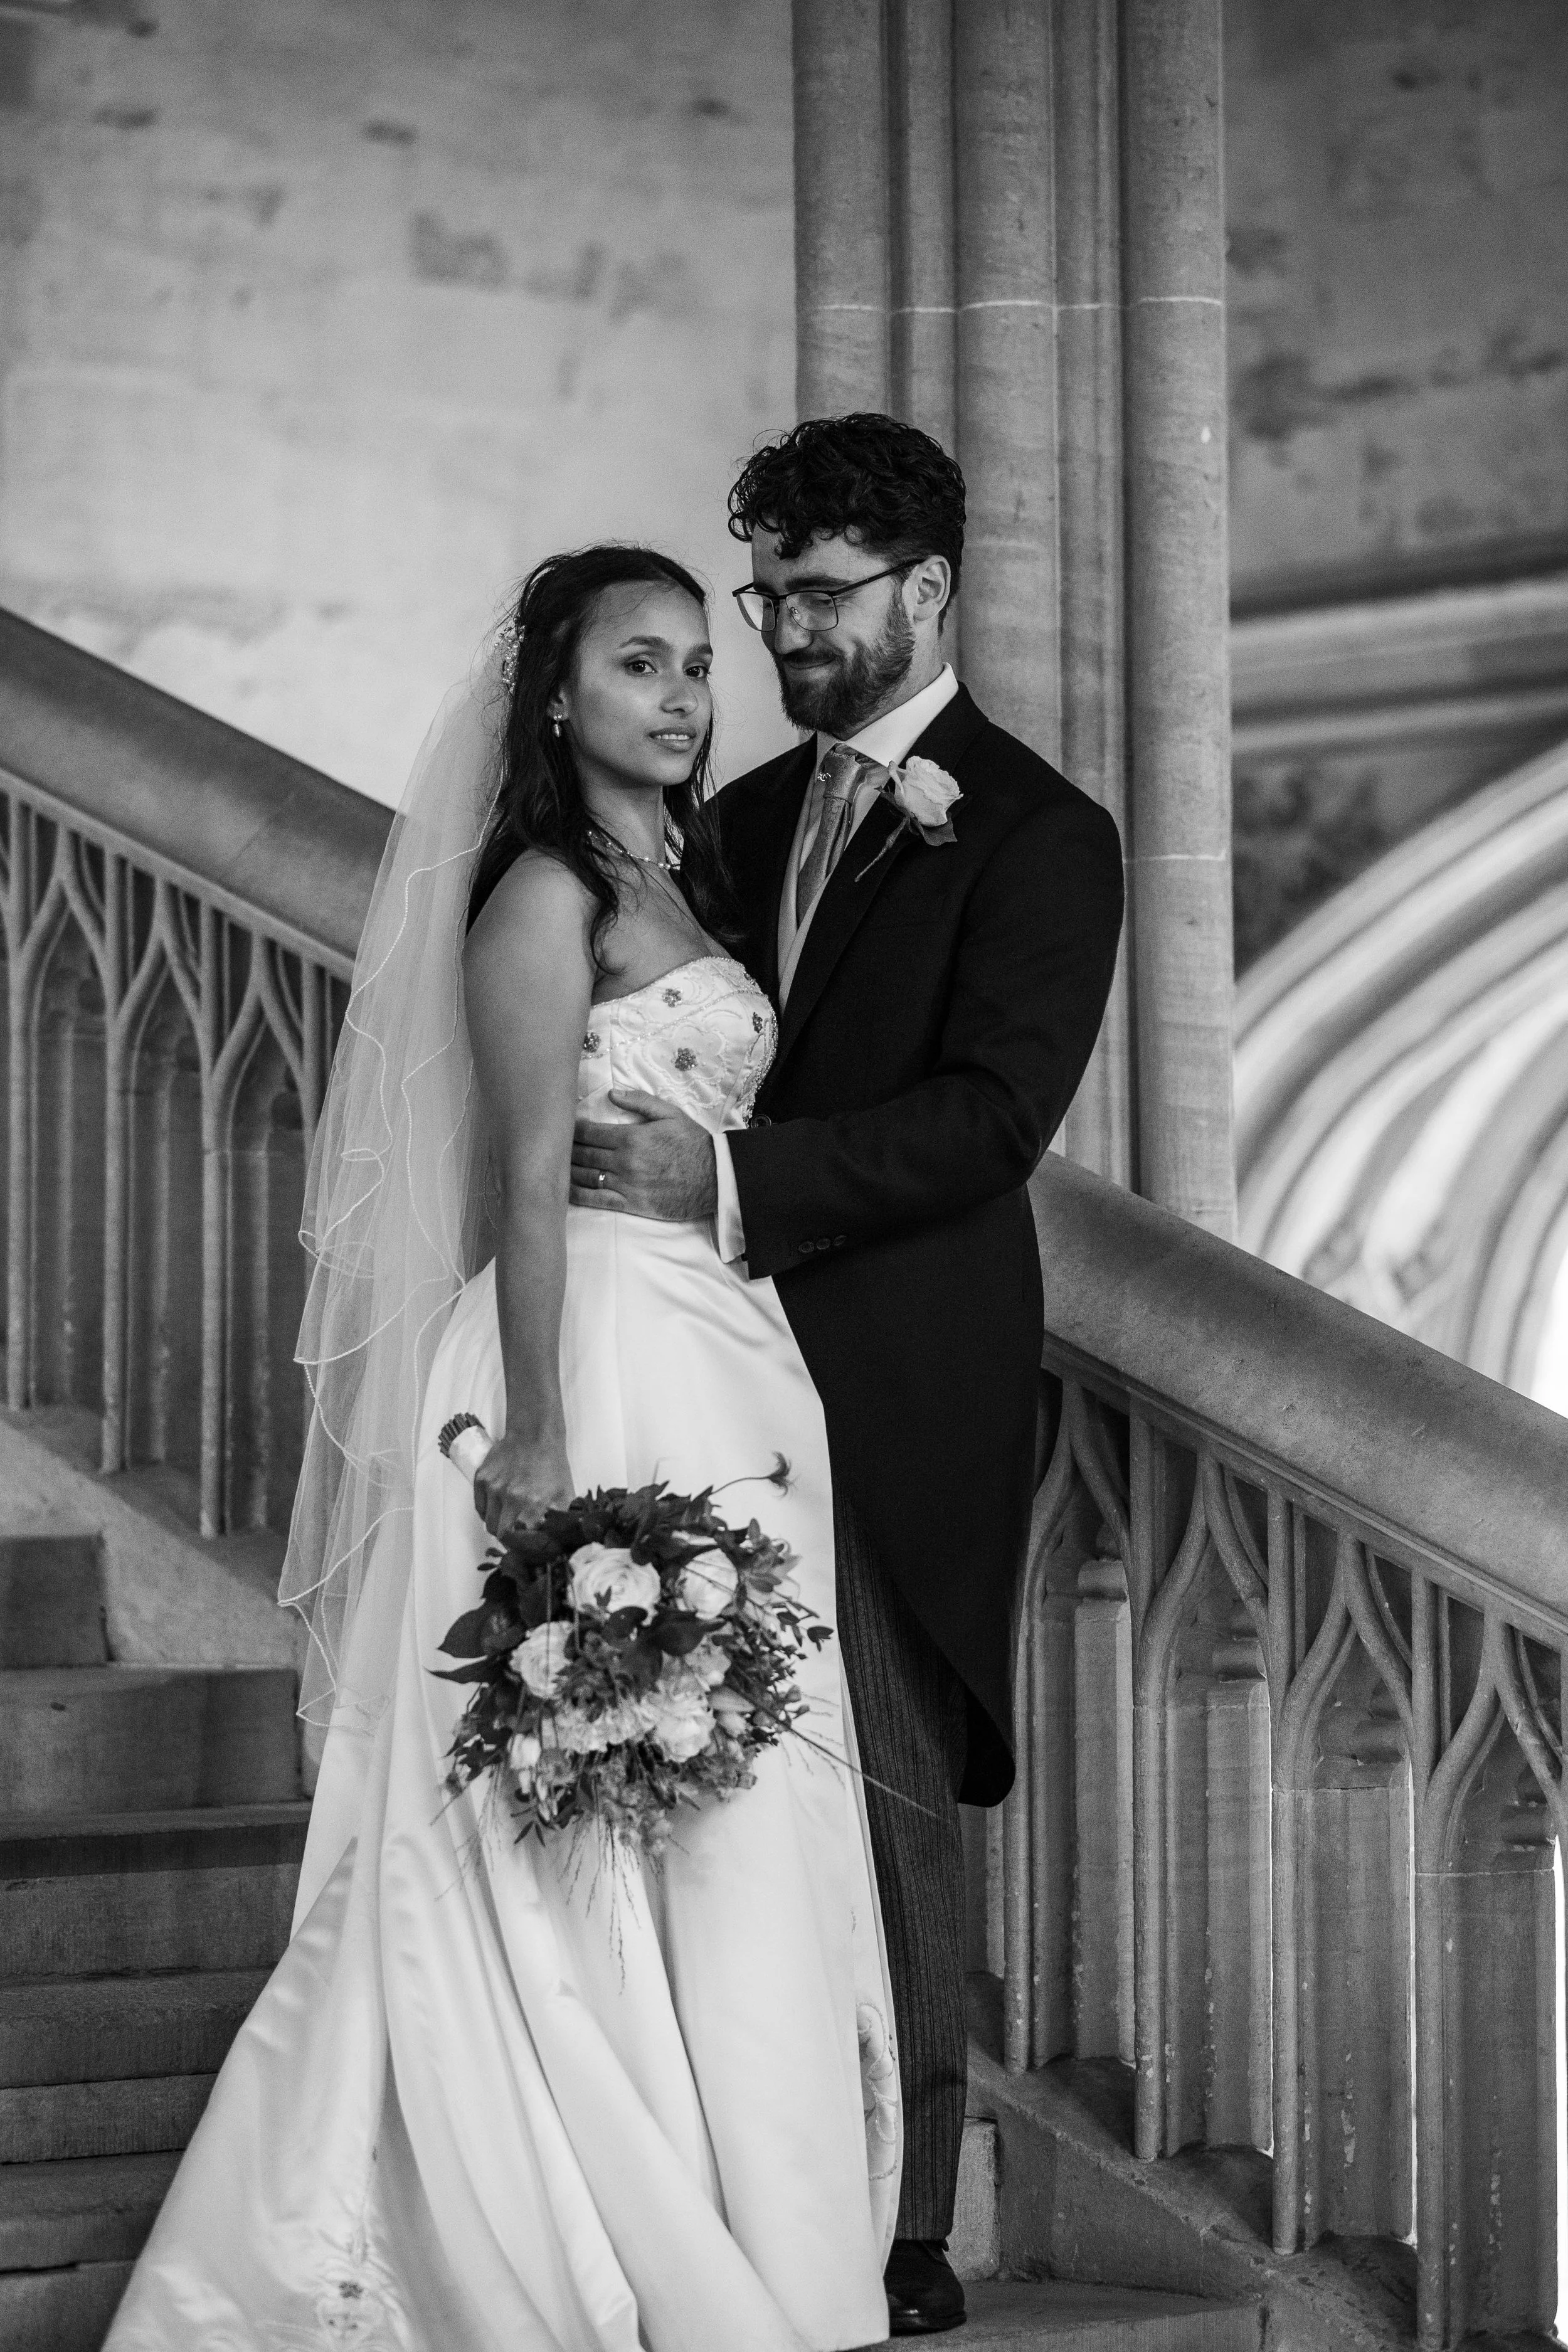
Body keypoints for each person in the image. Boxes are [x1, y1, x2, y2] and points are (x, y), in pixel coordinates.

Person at [103, 546, 901, 2352]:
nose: (686, 696)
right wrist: (538, 1423)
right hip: (595, 1351)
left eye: (701, 664)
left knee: (737, 1777)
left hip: (726, 1356)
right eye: (641, 663)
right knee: (588, 1779)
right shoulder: (539, 895)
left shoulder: (687, 880)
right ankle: (590, 2215)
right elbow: (524, 1178)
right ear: (557, 694)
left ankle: (758, 2212)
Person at [570, 415, 1125, 2336]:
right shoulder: (726, 819)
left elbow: (986, 1118)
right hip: (697, 1371)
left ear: (925, 593)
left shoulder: (1041, 834)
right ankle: (729, 2160)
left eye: (815, 596)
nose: (781, 634)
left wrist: (724, 1180)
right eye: (765, 595)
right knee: (720, 1787)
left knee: (887, 1780)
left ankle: (901, 2221)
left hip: (895, 1382)